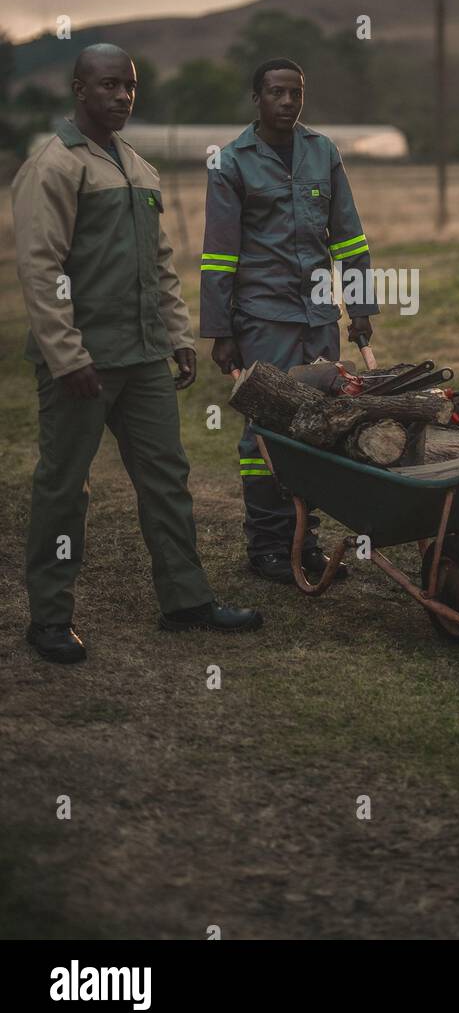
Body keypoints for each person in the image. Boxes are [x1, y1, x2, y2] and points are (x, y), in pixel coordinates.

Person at [11, 43, 263, 663]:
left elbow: (160, 265)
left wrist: (177, 335)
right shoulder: (54, 166)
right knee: (65, 488)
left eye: (129, 86)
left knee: (167, 480)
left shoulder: (139, 169)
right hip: (82, 364)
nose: (121, 96)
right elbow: (40, 270)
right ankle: (49, 618)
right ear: (78, 90)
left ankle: (186, 601)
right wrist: (67, 355)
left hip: (145, 356)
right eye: (107, 86)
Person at [200, 57, 378, 582]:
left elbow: (350, 238)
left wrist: (361, 309)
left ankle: (307, 542)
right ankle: (270, 547)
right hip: (263, 318)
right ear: (256, 98)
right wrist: (222, 332)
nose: (286, 102)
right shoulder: (231, 163)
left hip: (319, 317)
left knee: (318, 426)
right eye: (275, 92)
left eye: (295, 93)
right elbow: (218, 256)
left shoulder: (323, 152)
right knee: (266, 431)